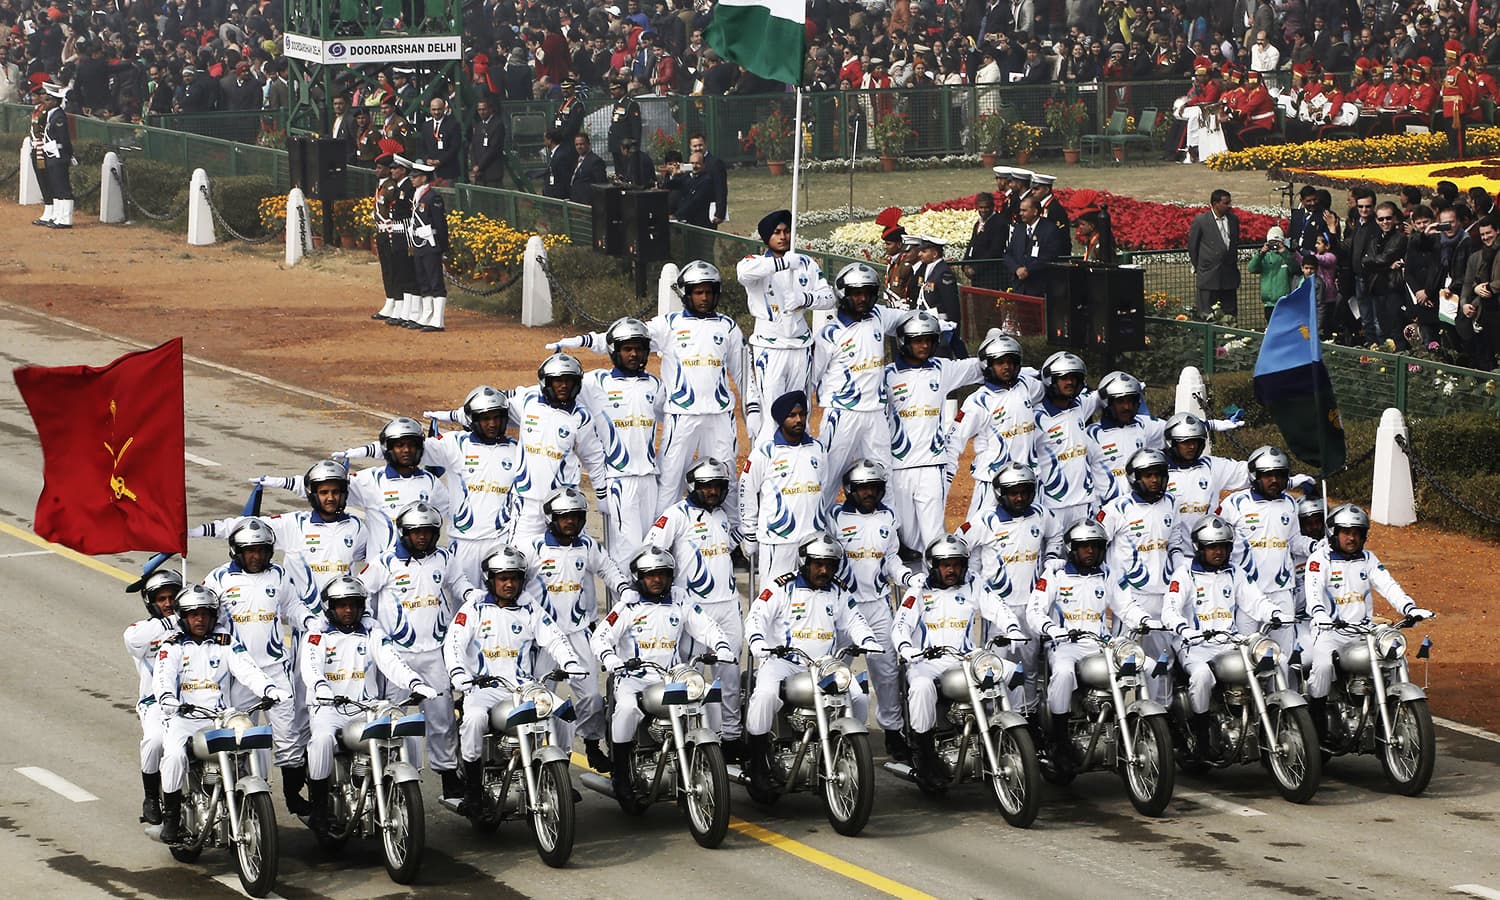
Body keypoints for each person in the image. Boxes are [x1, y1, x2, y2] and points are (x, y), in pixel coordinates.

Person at [549, 264, 745, 523]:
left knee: (725, 475)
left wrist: (753, 414)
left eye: (709, 292)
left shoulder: (728, 328)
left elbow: (743, 375)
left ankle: (730, 538)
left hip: (720, 414)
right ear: (687, 294)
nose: (704, 298)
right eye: (698, 292)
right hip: (680, 415)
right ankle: (663, 539)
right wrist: (581, 342)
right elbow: (624, 335)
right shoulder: (669, 325)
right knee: (669, 480)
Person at [445, 546, 583, 821]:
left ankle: (561, 777)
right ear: (490, 579)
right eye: (502, 577)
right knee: (472, 720)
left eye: (515, 578)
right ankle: (472, 791)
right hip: (483, 688)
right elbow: (454, 644)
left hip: (523, 687)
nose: (509, 584)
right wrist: (459, 674)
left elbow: (553, 637)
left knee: (565, 714)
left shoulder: (530, 606)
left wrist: (570, 662)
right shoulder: (473, 607)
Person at [591, 546, 732, 809]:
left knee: (710, 692)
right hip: (633, 676)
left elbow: (706, 626)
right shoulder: (628, 605)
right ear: (639, 577)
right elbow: (600, 636)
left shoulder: (680, 600)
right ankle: (620, 775)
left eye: (663, 574)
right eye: (650, 575)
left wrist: (721, 646)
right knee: (626, 709)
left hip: (671, 675)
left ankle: (711, 754)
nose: (657, 580)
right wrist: (612, 660)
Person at [745, 534, 884, 793]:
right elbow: (756, 617)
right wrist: (757, 643)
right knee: (764, 696)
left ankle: (847, 751)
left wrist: (868, 640)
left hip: (824, 665)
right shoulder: (780, 587)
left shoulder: (839, 591)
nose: (824, 570)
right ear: (805, 562)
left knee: (859, 696)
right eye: (818, 564)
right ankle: (757, 762)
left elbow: (854, 620)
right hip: (784, 660)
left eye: (830, 565)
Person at [357, 501, 476, 801]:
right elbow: (359, 593)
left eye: (428, 531)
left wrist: (475, 596)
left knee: (442, 718)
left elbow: (458, 583)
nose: (422, 537)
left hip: (435, 653)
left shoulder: (444, 558)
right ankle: (392, 780)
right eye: (416, 532)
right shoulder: (384, 563)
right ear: (403, 533)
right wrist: (371, 628)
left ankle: (449, 775)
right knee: (393, 719)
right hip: (397, 656)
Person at [200, 517, 318, 814]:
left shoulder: (278, 575)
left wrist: (312, 622)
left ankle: (293, 797)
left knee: (289, 737)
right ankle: (242, 800)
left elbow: (292, 607)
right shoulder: (218, 580)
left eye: (262, 550)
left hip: (275, 669)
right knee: (241, 737)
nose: (256, 556)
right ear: (236, 551)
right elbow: (204, 614)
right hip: (239, 674)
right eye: (250, 551)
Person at [301, 577, 437, 836]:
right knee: (321, 741)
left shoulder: (373, 630)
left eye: (354, 604)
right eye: (341, 605)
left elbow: (391, 660)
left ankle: (405, 791)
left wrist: (415, 682)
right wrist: (320, 687)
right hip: (328, 708)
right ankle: (319, 809)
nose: (348, 610)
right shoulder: (317, 633)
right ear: (330, 607)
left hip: (367, 707)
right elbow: (310, 665)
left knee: (402, 727)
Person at [155, 585, 289, 844]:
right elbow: (162, 678)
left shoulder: (225, 642)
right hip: (184, 718)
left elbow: (247, 669)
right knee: (172, 757)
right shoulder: (171, 646)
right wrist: (168, 700)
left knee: (249, 742)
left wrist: (270, 688)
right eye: (193, 614)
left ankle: (248, 804)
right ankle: (171, 818)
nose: (200, 619)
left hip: (221, 717)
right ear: (183, 617)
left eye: (205, 613)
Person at [893, 535, 1023, 792]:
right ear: (934, 565)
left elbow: (997, 607)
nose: (951, 570)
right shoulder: (919, 588)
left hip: (965, 657)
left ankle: (1014, 735)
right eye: (945, 564)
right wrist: (906, 647)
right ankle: (925, 754)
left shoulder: (973, 583)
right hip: (927, 659)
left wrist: (1012, 627)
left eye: (956, 564)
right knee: (920, 687)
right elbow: (901, 624)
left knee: (1012, 673)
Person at [645, 458, 750, 758]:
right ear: (693, 486)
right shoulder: (675, 516)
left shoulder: (723, 517)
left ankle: (729, 737)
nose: (713, 492)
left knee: (728, 675)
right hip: (693, 608)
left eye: (718, 486)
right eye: (707, 487)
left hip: (728, 605)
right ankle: (687, 737)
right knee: (688, 675)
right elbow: (649, 553)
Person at [1027, 520, 1151, 770]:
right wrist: (1052, 629)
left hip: (1101, 643)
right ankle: (1059, 740)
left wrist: (1143, 619)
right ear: (1072, 548)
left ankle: (1147, 727)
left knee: (1146, 665)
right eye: (1084, 547)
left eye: (1095, 546)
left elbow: (1125, 605)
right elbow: (1035, 610)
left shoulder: (1109, 573)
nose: (1090, 552)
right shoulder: (1055, 574)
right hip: (1064, 644)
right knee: (1062, 674)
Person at [1304, 504, 1433, 743]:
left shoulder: (1368, 559)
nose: (1352, 537)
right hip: (1330, 631)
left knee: (1396, 657)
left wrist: (1409, 608)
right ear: (1334, 532)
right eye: (1346, 531)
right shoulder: (1319, 559)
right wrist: (1320, 613)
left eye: (1357, 532)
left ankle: (1391, 716)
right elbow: (1312, 590)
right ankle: (1316, 724)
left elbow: (1388, 584)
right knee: (1322, 667)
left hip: (1365, 631)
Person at [526, 488, 630, 770]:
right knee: (540, 699)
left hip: (579, 632)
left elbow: (608, 569)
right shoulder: (532, 548)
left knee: (592, 697)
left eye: (576, 516)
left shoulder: (587, 546)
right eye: (564, 517)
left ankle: (593, 744)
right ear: (551, 518)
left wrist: (624, 590)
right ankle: (539, 762)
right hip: (543, 639)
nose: (571, 522)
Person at [1163, 515, 1281, 759]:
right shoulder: (1184, 574)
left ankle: (1275, 720)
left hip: (1230, 641)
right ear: (1199, 548)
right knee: (1202, 676)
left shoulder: (1235, 572)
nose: (1218, 552)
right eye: (1212, 547)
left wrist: (1274, 612)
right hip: (1194, 645)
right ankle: (1202, 738)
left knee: (1274, 660)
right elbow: (1170, 610)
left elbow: (1255, 599)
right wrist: (1184, 629)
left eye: (1223, 546)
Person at [829, 460, 920, 758]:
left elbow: (891, 558)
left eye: (874, 488)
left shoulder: (888, 516)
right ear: (850, 490)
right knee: (833, 669)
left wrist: (906, 577)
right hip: (843, 607)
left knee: (887, 671)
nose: (869, 493)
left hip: (879, 605)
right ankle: (835, 732)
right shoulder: (834, 517)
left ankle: (893, 732)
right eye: (862, 488)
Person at [956, 462, 1064, 710]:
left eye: (1025, 491)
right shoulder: (985, 519)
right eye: (1013, 492)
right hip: (998, 611)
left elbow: (1056, 535)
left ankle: (1029, 715)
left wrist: (1049, 561)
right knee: (994, 669)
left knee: (1028, 668)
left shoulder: (1040, 514)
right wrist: (973, 578)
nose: (1019, 497)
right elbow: (960, 544)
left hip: (1031, 607)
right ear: (1000, 493)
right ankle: (995, 718)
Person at [883, 310, 983, 554]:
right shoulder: (885, 376)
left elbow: (983, 366)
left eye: (929, 340)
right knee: (906, 541)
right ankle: (911, 588)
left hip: (932, 469)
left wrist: (1035, 375)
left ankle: (933, 591)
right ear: (903, 341)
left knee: (933, 540)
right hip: (897, 470)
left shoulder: (942, 369)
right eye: (918, 340)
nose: (924, 345)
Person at [811, 262, 908, 509]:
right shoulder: (829, 334)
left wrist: (942, 324)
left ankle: (888, 538)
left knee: (883, 475)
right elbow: (810, 377)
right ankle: (817, 535)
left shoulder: (878, 317)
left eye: (867, 292)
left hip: (875, 414)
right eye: (856, 293)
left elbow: (908, 319)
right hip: (841, 415)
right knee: (829, 476)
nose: (863, 298)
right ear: (844, 294)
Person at [1095, 448, 1184, 703]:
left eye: (1158, 474)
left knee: (1162, 663)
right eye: (1147, 475)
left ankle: (1160, 718)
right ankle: (1114, 717)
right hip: (1130, 598)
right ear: (1135, 478)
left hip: (1164, 596)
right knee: (1122, 662)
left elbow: (1175, 541)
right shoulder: (1115, 509)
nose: (1154, 480)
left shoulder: (1172, 503)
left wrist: (1180, 572)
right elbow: (1097, 545)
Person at [738, 209, 836, 438]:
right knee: (773, 410)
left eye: (787, 231)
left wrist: (805, 299)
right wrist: (782, 264)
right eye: (776, 232)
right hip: (770, 348)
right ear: (766, 238)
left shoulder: (806, 264)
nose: (783, 237)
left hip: (800, 346)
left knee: (800, 411)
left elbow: (829, 297)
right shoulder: (756, 262)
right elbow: (744, 274)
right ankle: (769, 461)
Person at [504, 353, 610, 547]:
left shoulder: (581, 417)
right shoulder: (527, 401)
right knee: (520, 559)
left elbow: (594, 459)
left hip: (564, 505)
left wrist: (602, 495)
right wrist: (457, 416)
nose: (563, 386)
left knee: (572, 559)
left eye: (569, 381)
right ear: (546, 383)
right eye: (558, 381)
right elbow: (495, 405)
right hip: (527, 501)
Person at [1217, 446, 1315, 653]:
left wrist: (1314, 546)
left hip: (1282, 591)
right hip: (1247, 592)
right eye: (1268, 475)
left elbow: (1294, 540)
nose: (1274, 480)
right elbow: (1216, 540)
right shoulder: (1234, 503)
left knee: (1284, 653)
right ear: (1254, 475)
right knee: (1246, 654)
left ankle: (1286, 687)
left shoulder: (1289, 502)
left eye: (1279, 475)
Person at [943, 330, 1044, 520]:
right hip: (991, 482)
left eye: (1011, 362)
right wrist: (947, 477)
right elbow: (954, 440)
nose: (1007, 367)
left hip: (1027, 481)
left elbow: (1049, 386)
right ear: (987, 365)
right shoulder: (978, 402)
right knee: (979, 536)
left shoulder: (1027, 386)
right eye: (1000, 362)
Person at [741, 390, 828, 587]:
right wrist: (750, 533)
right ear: (781, 419)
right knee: (772, 599)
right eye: (792, 415)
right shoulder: (764, 452)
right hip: (777, 542)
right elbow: (746, 491)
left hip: (812, 540)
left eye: (802, 414)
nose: (799, 420)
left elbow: (824, 484)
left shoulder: (817, 449)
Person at [123, 566, 184, 826]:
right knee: (156, 741)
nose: (168, 604)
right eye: (162, 599)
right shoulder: (141, 631)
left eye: (173, 597)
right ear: (151, 603)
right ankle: (151, 796)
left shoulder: (198, 621)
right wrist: (176, 620)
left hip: (199, 701)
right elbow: (134, 640)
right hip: (157, 704)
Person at [1032, 351, 1109, 526]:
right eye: (1064, 378)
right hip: (1052, 505)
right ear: (1051, 380)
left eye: (1074, 377)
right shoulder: (1036, 417)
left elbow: (1102, 393)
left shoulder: (1080, 406)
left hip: (1085, 503)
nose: (1070, 382)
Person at [370, 150, 419, 326]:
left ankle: (407, 308)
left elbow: (406, 213)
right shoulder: (394, 187)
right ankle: (397, 305)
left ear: (403, 170)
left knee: (401, 271)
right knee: (395, 270)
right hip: (392, 231)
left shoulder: (399, 188)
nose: (392, 171)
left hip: (400, 232)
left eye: (395, 168)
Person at [406, 159, 450, 332]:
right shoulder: (418, 195)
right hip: (419, 243)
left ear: (424, 178)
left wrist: (442, 246)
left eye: (415, 177)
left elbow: (440, 224)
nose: (412, 179)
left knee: (435, 281)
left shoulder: (433, 197)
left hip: (431, 244)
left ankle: (437, 320)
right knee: (423, 280)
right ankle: (427, 315)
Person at [1361, 201, 1409, 348]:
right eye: (1381, 219)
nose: (1385, 222)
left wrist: (1378, 263)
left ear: (1394, 218)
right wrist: (1387, 266)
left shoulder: (1400, 238)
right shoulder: (1375, 239)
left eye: (1388, 218)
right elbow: (1365, 261)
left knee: (1395, 331)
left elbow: (1383, 258)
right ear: (1376, 220)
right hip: (1376, 289)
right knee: (1382, 330)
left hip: (1393, 289)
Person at [1186, 189, 1242, 315]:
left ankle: (1230, 334)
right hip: (1209, 275)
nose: (1229, 206)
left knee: (1230, 312)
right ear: (1215, 204)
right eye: (1226, 203)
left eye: (1229, 202)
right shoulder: (1201, 221)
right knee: (1207, 312)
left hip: (1229, 275)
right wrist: (1200, 266)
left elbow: (1234, 243)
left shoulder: (1233, 220)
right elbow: (1192, 247)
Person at [1002, 196, 1066, 299]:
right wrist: (1017, 269)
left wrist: (1028, 270)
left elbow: (1050, 255)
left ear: (1035, 211)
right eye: (1020, 210)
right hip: (1019, 287)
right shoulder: (1019, 229)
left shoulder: (1049, 229)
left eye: (1024, 210)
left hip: (1039, 287)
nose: (1020, 213)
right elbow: (1008, 254)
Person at [913, 236, 966, 355]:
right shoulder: (926, 268)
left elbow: (951, 303)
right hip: (928, 322)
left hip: (941, 324)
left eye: (924, 251)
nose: (920, 254)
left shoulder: (944, 272)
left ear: (935, 253)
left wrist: (953, 327)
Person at [37, 81, 73, 228]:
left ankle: (66, 218)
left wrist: (68, 154)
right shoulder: (52, 115)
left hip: (58, 155)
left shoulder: (59, 116)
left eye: (47, 100)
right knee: (56, 187)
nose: (44, 102)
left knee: (63, 188)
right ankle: (58, 216)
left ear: (54, 101)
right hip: (51, 155)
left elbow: (64, 139)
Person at [962, 190, 1007, 290]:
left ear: (992, 207)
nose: (983, 210)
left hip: (990, 275)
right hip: (976, 276)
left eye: (986, 207)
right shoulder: (978, 223)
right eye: (981, 207)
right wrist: (964, 264)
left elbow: (995, 250)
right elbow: (972, 245)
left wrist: (976, 269)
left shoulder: (999, 223)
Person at [1248, 225, 1294, 317]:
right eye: (1271, 243)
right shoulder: (1265, 257)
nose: (1274, 246)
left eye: (1276, 243)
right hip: (1268, 303)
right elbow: (1251, 268)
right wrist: (1261, 253)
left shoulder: (1287, 256)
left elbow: (1294, 269)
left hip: (1284, 301)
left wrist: (1283, 252)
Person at [688, 133, 728, 226]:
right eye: (695, 146)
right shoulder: (689, 163)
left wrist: (720, 213)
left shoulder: (715, 163)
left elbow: (720, 189)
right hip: (691, 211)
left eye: (700, 145)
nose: (698, 148)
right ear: (690, 147)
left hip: (708, 212)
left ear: (705, 144)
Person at [468, 96, 507, 187]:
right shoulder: (478, 126)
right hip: (479, 174)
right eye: (479, 110)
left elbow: (493, 149)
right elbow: (474, 147)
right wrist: (474, 165)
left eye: (484, 109)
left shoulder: (497, 125)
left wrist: (479, 166)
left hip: (492, 172)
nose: (481, 112)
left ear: (490, 109)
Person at [606, 76, 642, 172]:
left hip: (626, 147)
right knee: (619, 172)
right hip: (616, 145)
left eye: (614, 89)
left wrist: (634, 146)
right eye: (611, 89)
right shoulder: (617, 104)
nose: (612, 92)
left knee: (627, 172)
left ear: (622, 90)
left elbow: (636, 127)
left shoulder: (631, 104)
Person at [569, 132, 608, 204]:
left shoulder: (595, 161)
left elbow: (601, 184)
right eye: (576, 145)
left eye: (581, 144)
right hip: (575, 199)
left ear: (588, 145)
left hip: (587, 202)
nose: (579, 147)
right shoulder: (575, 160)